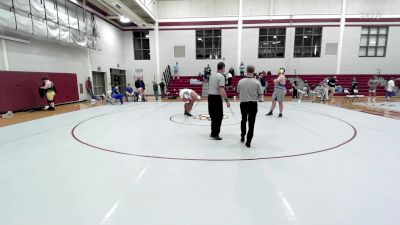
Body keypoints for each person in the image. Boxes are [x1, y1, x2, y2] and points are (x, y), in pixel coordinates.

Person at [237, 65, 263, 148]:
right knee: (251, 124)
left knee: (243, 120)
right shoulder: (257, 82)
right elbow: (260, 95)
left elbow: (238, 93)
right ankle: (248, 141)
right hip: (253, 104)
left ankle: (242, 136)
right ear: (253, 71)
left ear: (246, 71)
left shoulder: (240, 81)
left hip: (244, 103)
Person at [208, 62, 230, 140]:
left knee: (213, 116)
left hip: (210, 97)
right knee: (219, 116)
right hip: (216, 98)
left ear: (217, 67)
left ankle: (212, 132)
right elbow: (221, 89)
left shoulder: (211, 76)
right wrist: (226, 100)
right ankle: (215, 134)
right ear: (223, 68)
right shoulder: (221, 76)